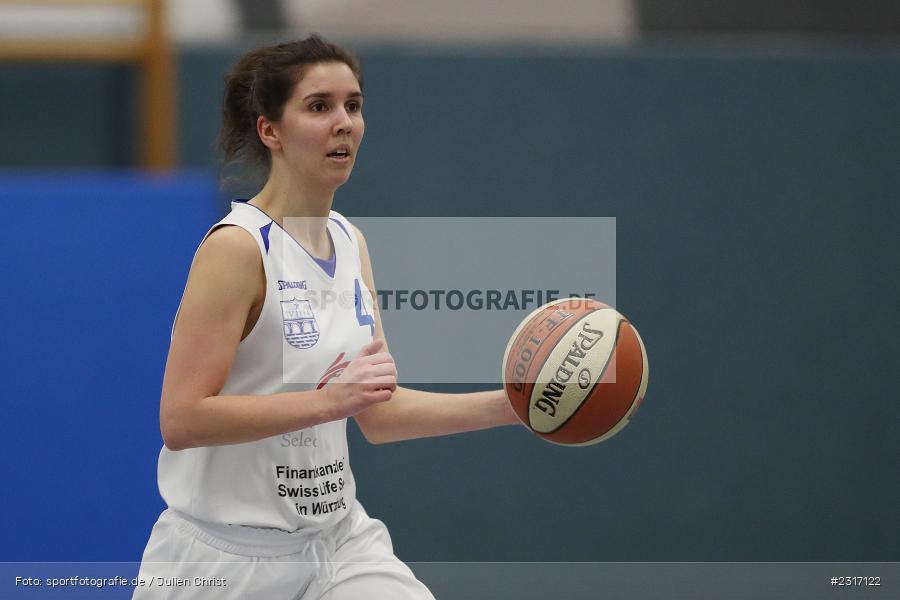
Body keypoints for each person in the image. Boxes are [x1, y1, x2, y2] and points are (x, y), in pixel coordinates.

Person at [134, 35, 519, 599]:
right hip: (223, 561)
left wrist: (514, 405)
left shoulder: (349, 240)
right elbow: (182, 420)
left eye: (353, 106)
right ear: (271, 131)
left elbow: (377, 413)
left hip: (338, 544)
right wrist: (328, 401)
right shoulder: (238, 249)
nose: (344, 122)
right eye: (320, 106)